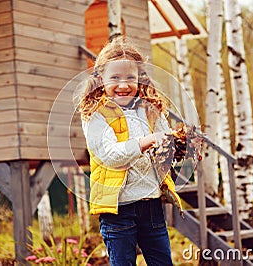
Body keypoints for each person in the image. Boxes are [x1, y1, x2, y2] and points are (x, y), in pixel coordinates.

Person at [76, 37, 182, 266]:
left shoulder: (150, 109)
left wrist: (175, 144)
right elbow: (109, 155)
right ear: (99, 79)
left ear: (140, 79)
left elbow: (166, 143)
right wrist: (145, 142)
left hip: (151, 204)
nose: (123, 84)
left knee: (163, 262)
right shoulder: (96, 115)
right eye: (114, 78)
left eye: (129, 78)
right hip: (118, 208)